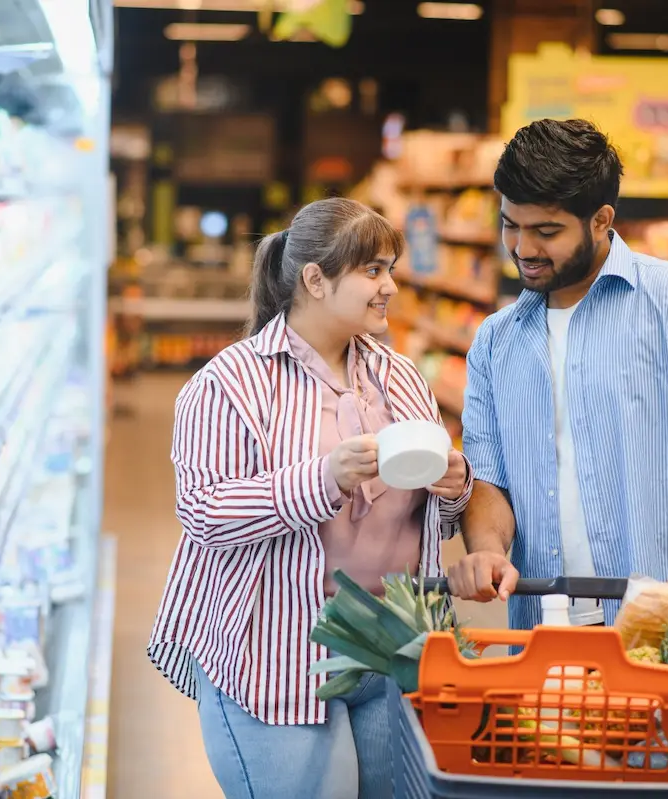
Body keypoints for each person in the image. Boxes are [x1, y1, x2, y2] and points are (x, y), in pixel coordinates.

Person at [147, 197, 473, 798]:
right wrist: (322, 479)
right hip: (276, 651)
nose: (390, 287)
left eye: (390, 269)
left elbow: (435, 523)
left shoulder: (398, 375)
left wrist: (452, 491)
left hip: (393, 648)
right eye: (372, 271)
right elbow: (204, 510)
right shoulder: (229, 384)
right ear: (315, 280)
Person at [445, 118, 668, 629]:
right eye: (510, 225)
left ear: (601, 219)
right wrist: (486, 549)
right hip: (542, 635)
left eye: (546, 231)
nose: (523, 249)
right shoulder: (496, 340)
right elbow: (490, 475)